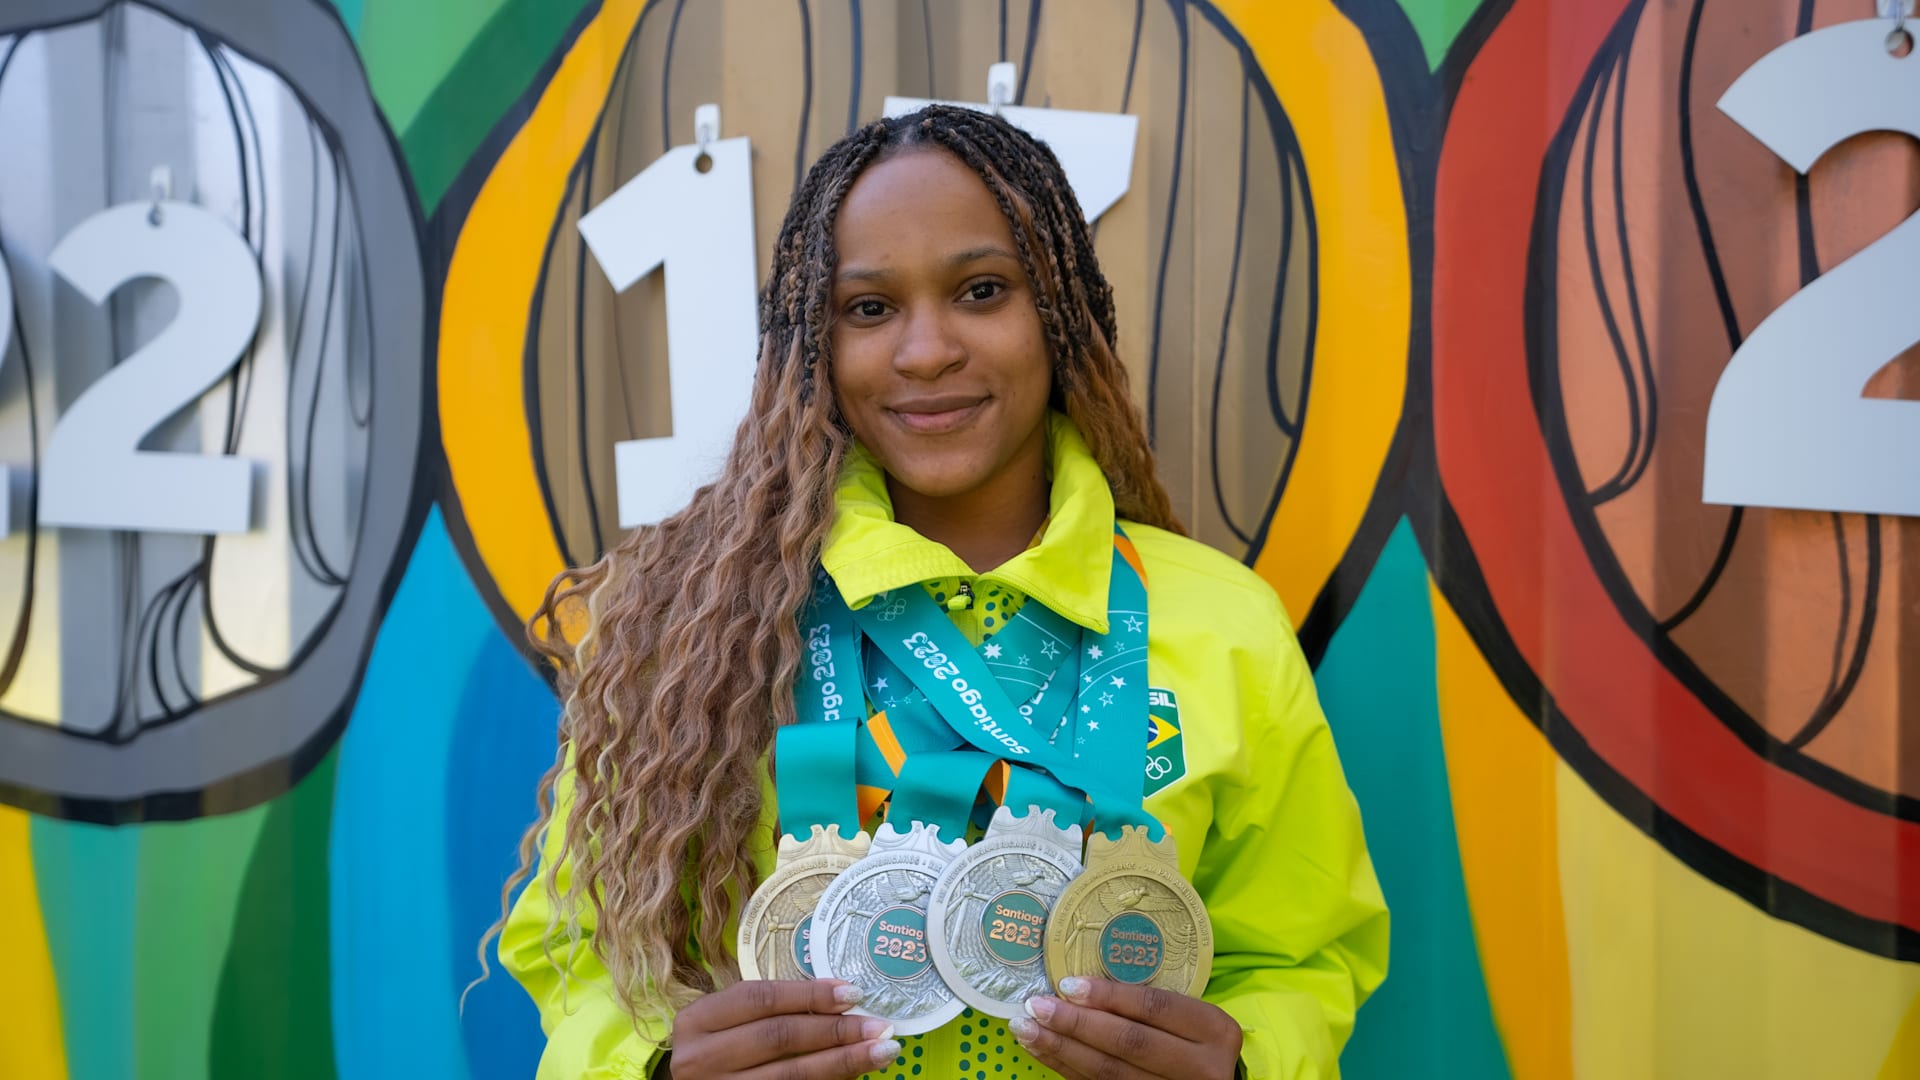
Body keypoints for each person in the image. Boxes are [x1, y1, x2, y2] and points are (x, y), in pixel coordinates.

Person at [491, 104, 1388, 1080]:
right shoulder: (693, 630)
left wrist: (1248, 1065)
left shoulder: (1225, 624)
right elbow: (573, 959)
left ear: (1059, 316)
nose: (926, 351)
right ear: (813, 345)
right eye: (869, 308)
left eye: (981, 291)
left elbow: (1304, 958)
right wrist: (655, 1068)